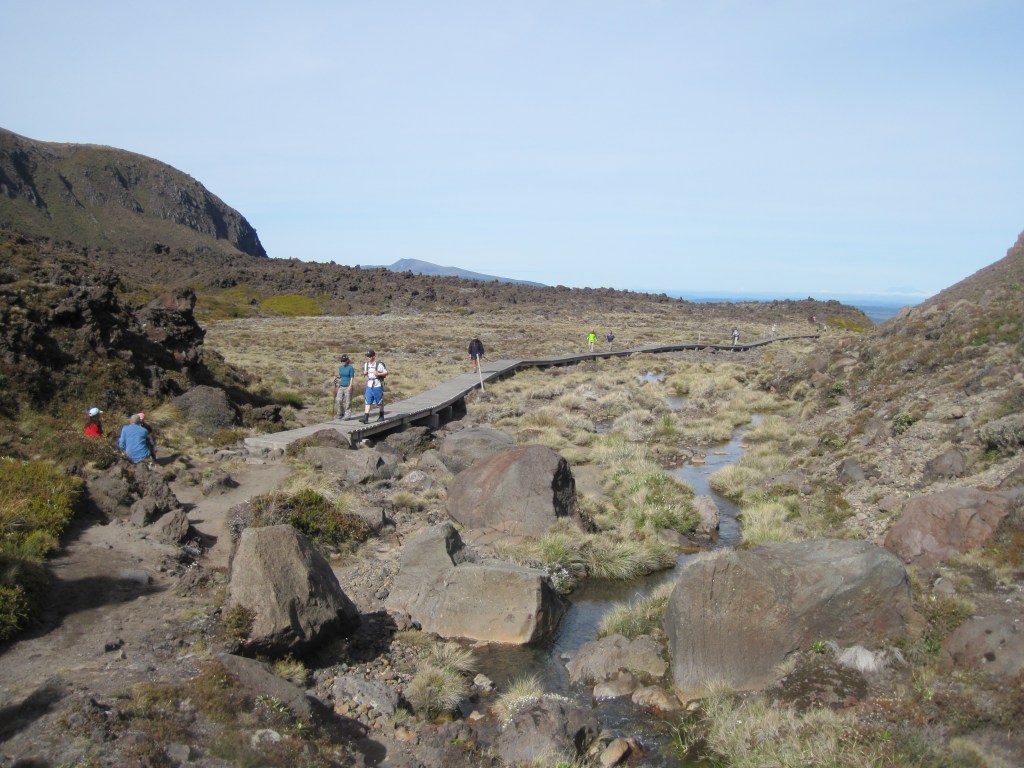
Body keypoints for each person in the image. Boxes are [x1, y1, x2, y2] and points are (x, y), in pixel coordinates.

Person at [359, 350, 388, 424]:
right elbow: (365, 372)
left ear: (373, 356)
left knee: (379, 401)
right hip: (369, 384)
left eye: (369, 356)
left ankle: (381, 416)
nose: (368, 357)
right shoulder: (366, 364)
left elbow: (386, 372)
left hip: (377, 385)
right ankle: (366, 418)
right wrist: (364, 373)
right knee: (367, 400)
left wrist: (378, 373)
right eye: (367, 356)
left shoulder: (379, 365)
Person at [335, 354, 356, 419]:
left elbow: (352, 377)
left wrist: (350, 386)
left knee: (348, 401)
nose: (343, 362)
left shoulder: (351, 368)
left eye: (344, 360)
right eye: (342, 361)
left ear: (347, 360)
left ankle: (347, 415)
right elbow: (341, 376)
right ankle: (341, 413)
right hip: (341, 386)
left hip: (347, 386)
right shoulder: (340, 368)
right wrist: (337, 377)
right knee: (338, 399)